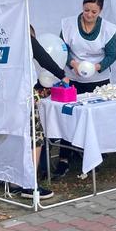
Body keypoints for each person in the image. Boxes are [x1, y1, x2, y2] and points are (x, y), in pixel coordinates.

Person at [52, 0, 116, 179]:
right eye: (86, 10)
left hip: (99, 80)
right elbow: (62, 49)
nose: (89, 14)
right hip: (74, 78)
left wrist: (96, 67)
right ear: (82, 6)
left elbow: (112, 55)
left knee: (96, 119)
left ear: (100, 11)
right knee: (69, 117)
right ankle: (64, 159)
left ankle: (93, 156)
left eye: (94, 12)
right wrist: (74, 64)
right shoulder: (68, 25)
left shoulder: (108, 29)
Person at [13, 26, 70, 200]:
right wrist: (62, 75)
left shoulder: (3, 33)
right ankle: (29, 184)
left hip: (5, 94)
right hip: (22, 94)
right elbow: (43, 57)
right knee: (35, 136)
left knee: (13, 136)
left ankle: (13, 180)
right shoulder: (22, 32)